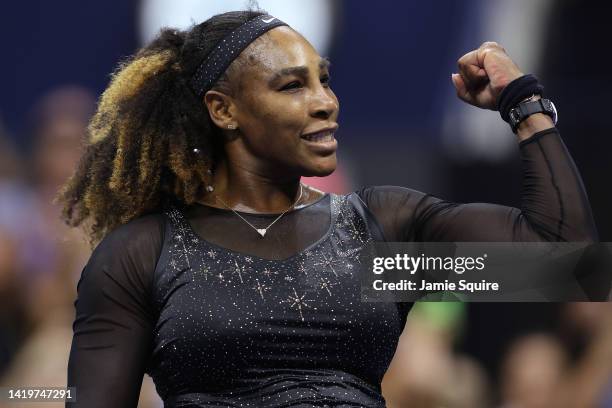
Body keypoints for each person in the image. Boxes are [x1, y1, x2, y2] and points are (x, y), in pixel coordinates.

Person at [61, 10, 597, 408]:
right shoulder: (141, 254)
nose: (325, 101)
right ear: (223, 110)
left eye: (325, 79)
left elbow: (562, 262)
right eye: (293, 85)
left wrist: (524, 105)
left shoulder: (380, 239)